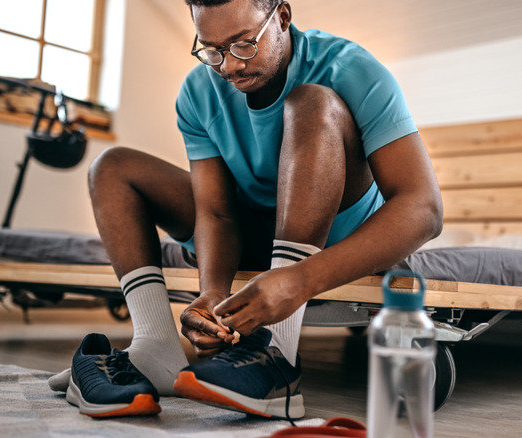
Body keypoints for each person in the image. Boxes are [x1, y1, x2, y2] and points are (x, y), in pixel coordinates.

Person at [56, 0, 443, 421]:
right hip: (255, 231)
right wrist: (213, 291)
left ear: (282, 17)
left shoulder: (351, 68)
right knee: (111, 167)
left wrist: (299, 280)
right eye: (212, 49)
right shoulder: (198, 91)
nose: (229, 67)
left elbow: (424, 209)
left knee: (310, 102)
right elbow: (217, 213)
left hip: (337, 237)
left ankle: (277, 355)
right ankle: (156, 347)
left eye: (243, 44)